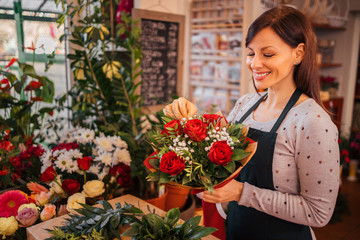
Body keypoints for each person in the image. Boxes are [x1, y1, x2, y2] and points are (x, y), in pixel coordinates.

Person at [197, 6, 339, 240]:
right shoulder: (245, 104)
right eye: (251, 53)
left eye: (268, 54)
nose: (255, 63)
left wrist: (242, 193)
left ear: (298, 53)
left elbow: (318, 213)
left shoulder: (312, 121)